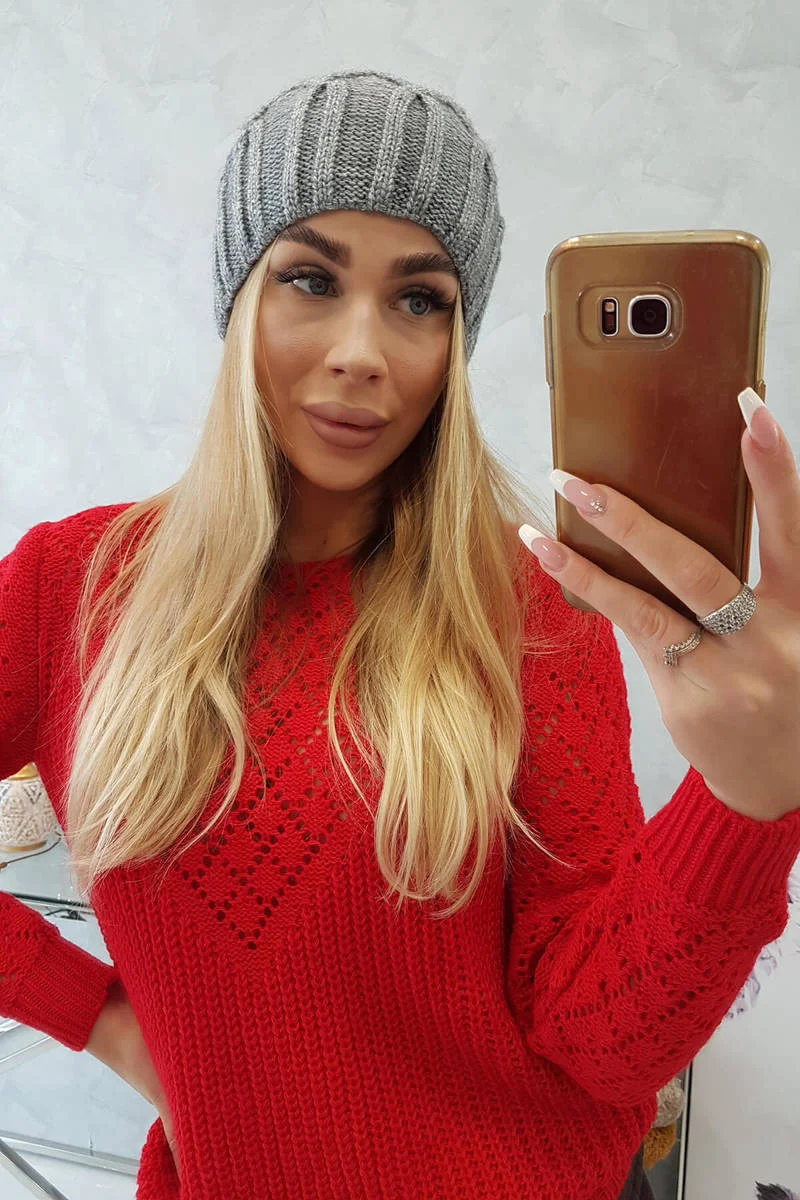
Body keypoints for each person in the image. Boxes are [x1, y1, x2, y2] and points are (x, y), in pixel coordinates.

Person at [2, 68, 800, 1200]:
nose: (362, 350)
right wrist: (100, 1020)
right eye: (310, 279)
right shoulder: (71, 588)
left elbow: (597, 1039)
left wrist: (744, 803)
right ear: (238, 297)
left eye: (420, 299)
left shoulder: (530, 609)